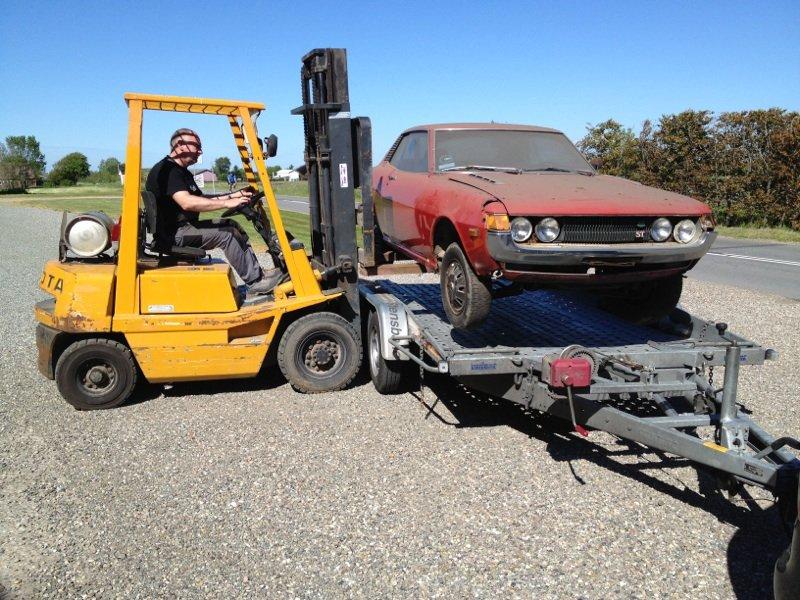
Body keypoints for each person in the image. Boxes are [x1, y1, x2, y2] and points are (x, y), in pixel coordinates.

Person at [145, 128, 282, 295]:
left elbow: (202, 198)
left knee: (231, 225)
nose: (200, 151)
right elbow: (187, 203)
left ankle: (258, 274)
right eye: (197, 146)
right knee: (227, 234)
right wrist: (227, 202)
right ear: (180, 145)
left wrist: (235, 195)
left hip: (182, 228)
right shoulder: (168, 171)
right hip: (175, 234)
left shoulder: (180, 171)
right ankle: (256, 282)